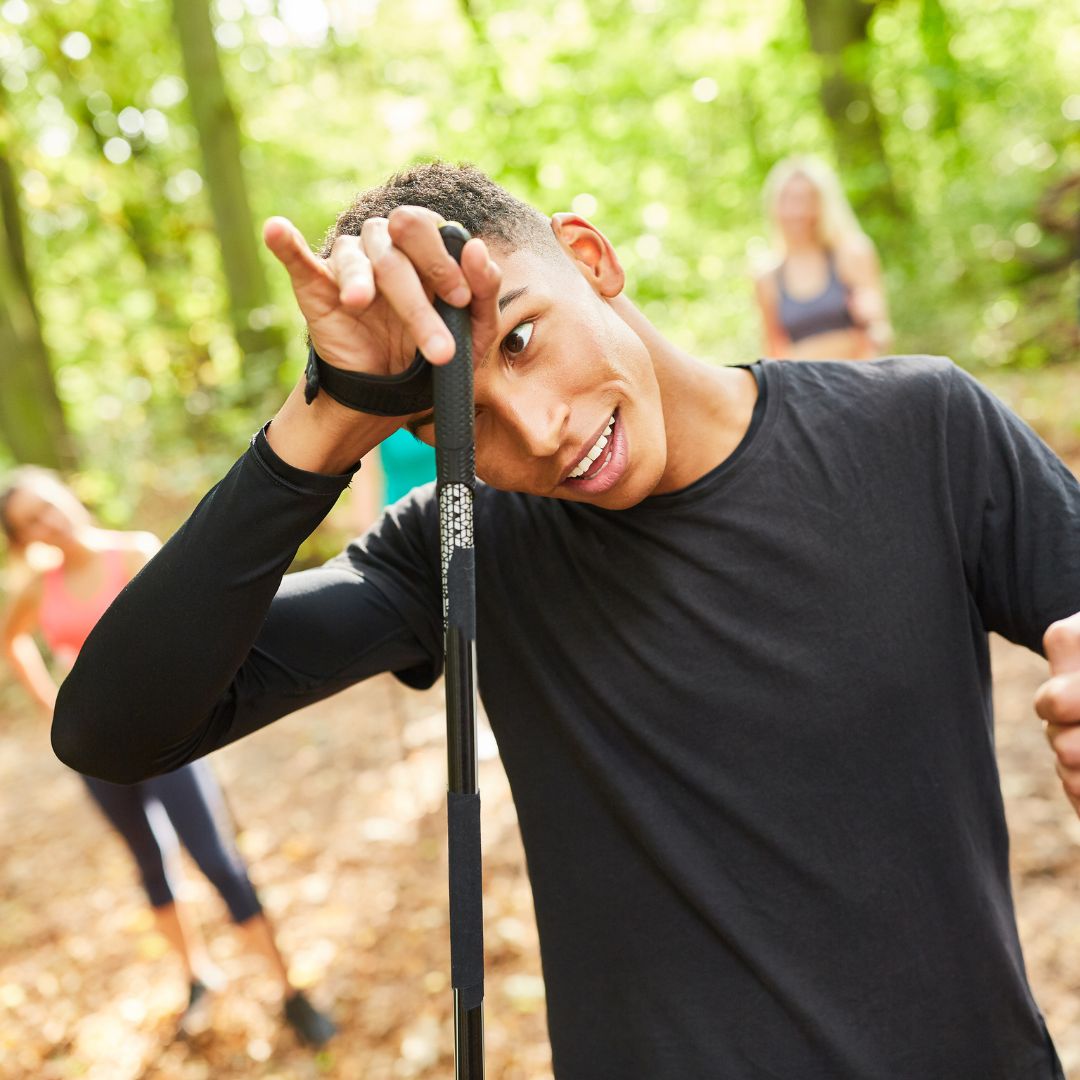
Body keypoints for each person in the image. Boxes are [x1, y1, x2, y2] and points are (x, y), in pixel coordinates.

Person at [52, 162, 1080, 1079]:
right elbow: (112, 728)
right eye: (463, 420)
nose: (540, 431)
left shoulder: (918, 430)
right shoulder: (457, 547)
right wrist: (322, 420)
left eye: (523, 339)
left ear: (591, 258)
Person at [0, 467, 336, 1047]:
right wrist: (51, 706)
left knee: (216, 859)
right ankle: (197, 976)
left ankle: (289, 992)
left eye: (49, 505)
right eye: (31, 522)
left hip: (167, 739)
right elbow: (12, 641)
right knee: (149, 863)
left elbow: (189, 631)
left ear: (68, 496)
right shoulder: (37, 589)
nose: (48, 522)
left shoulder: (134, 553)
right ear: (23, 538)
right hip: (96, 754)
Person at [753, 154, 893, 360]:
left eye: (805, 200)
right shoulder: (767, 277)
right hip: (802, 379)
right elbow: (773, 352)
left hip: (858, 373)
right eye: (786, 200)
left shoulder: (852, 253)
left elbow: (882, 334)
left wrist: (873, 322)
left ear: (822, 204)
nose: (796, 211)